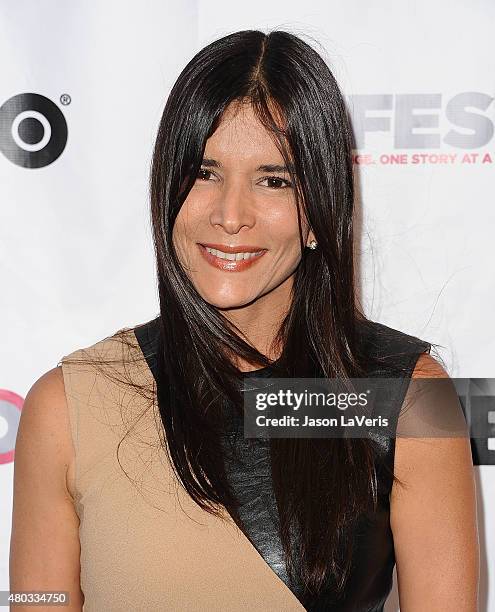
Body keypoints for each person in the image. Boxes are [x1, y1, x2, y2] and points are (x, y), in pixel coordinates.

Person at [10, 29, 479, 611]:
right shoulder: (68, 406)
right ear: (165, 190)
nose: (231, 216)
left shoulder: (408, 396)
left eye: (273, 180)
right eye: (205, 173)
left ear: (319, 212)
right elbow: (38, 601)